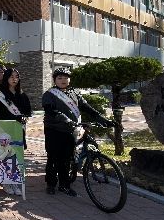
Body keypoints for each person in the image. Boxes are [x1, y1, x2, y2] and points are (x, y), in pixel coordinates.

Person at [42, 67, 114, 196]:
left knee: (66, 158)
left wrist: (102, 119)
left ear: (69, 79)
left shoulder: (74, 92)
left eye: (66, 77)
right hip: (54, 130)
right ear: (54, 80)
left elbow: (87, 107)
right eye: (60, 78)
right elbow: (50, 110)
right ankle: (51, 184)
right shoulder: (49, 94)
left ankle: (64, 185)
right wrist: (66, 120)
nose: (63, 80)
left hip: (70, 130)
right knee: (53, 157)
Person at [0, 68, 31, 196]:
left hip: (18, 130)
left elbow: (27, 112)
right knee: (5, 156)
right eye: (11, 76)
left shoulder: (22, 95)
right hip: (3, 130)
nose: (14, 79)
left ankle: (14, 181)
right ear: (6, 78)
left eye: (16, 76)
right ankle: (6, 182)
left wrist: (24, 118)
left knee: (16, 156)